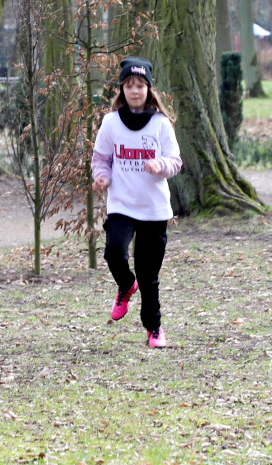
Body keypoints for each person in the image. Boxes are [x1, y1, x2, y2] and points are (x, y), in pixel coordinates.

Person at [91, 57, 182, 348]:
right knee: (114, 252)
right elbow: (101, 159)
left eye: (140, 86)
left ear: (148, 89)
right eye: (129, 85)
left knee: (149, 274)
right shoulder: (111, 122)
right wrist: (102, 177)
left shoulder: (160, 123)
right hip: (121, 203)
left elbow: (175, 161)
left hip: (154, 208)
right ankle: (126, 285)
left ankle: (154, 329)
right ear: (122, 88)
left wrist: (161, 166)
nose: (134, 91)